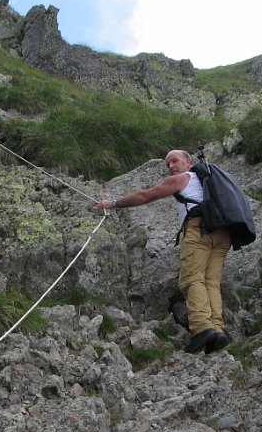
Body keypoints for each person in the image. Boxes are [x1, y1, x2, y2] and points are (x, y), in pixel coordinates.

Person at [96, 149, 231, 354]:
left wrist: (112, 204)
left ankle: (202, 329)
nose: (171, 167)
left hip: (199, 228)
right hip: (223, 232)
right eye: (168, 164)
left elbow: (145, 196)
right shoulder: (208, 182)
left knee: (192, 279)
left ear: (188, 162)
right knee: (210, 282)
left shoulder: (184, 178)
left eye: (174, 161)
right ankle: (217, 330)